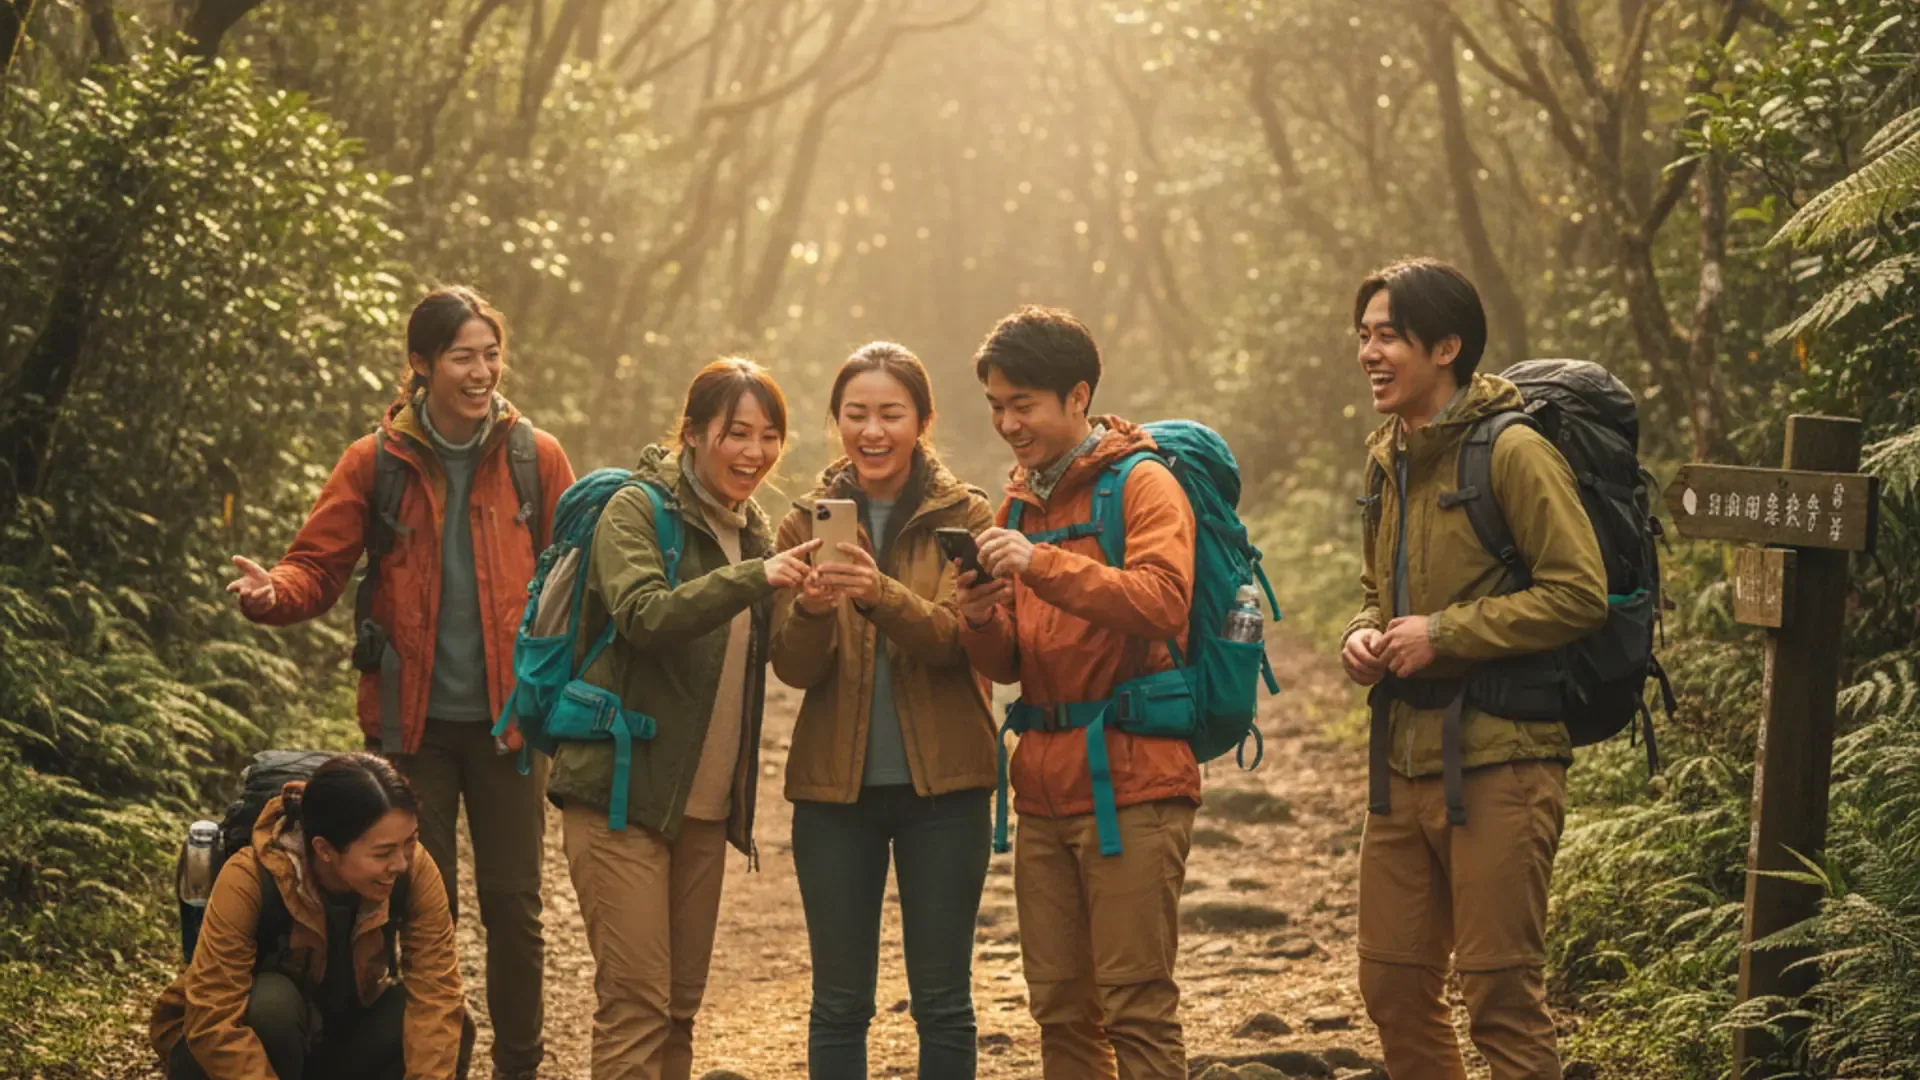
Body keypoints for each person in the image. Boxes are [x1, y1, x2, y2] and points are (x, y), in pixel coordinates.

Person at [223, 287, 573, 1080]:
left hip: (513, 723)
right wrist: (272, 593)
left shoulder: (536, 458)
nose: (481, 372)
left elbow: (575, 575)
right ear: (421, 364)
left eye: (491, 355)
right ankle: (431, 1064)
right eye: (462, 356)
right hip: (409, 731)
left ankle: (520, 1066)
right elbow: (315, 565)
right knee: (417, 902)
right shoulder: (375, 462)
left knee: (516, 906)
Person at [1339, 258, 1607, 1080]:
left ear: (1446, 347)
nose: (1370, 353)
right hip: (1401, 762)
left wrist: (1446, 634)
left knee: (1500, 998)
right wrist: (1364, 634)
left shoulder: (1513, 450)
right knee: (1393, 987)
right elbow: (1377, 591)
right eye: (1364, 336)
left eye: (1390, 336)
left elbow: (1580, 593)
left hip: (1503, 759)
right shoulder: (1388, 457)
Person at [545, 357, 819, 1080]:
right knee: (636, 1004)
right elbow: (644, 615)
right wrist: (755, 577)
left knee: (678, 1009)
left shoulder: (752, 531)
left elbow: (771, 659)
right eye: (737, 433)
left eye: (768, 436)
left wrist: (814, 604)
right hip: (621, 794)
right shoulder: (637, 510)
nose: (754, 452)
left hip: (701, 808)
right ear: (692, 433)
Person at [954, 306, 1199, 1080]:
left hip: (1134, 782)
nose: (1007, 424)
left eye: (1022, 404)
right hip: (1043, 790)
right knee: (1060, 1010)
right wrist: (979, 617)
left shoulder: (1143, 484)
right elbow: (1013, 664)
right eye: (996, 406)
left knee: (1137, 1006)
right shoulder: (1020, 503)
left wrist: (1040, 565)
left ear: (1079, 396)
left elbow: (1164, 601)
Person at [769, 342, 999, 1079]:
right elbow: (793, 668)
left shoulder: (967, 516)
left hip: (948, 792)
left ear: (922, 421)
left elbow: (956, 641)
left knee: (943, 1001)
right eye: (856, 413)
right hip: (834, 796)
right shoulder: (803, 524)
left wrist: (878, 595)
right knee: (839, 1004)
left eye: (891, 414)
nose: (872, 431)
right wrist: (811, 612)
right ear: (836, 420)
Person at [151, 753, 467, 1079]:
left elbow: (437, 991)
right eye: (383, 852)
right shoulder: (249, 878)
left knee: (442, 1023)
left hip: (337, 1037)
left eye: (410, 841)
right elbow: (212, 1017)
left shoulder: (411, 868)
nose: (400, 863)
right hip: (251, 1050)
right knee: (271, 1006)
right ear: (324, 850)